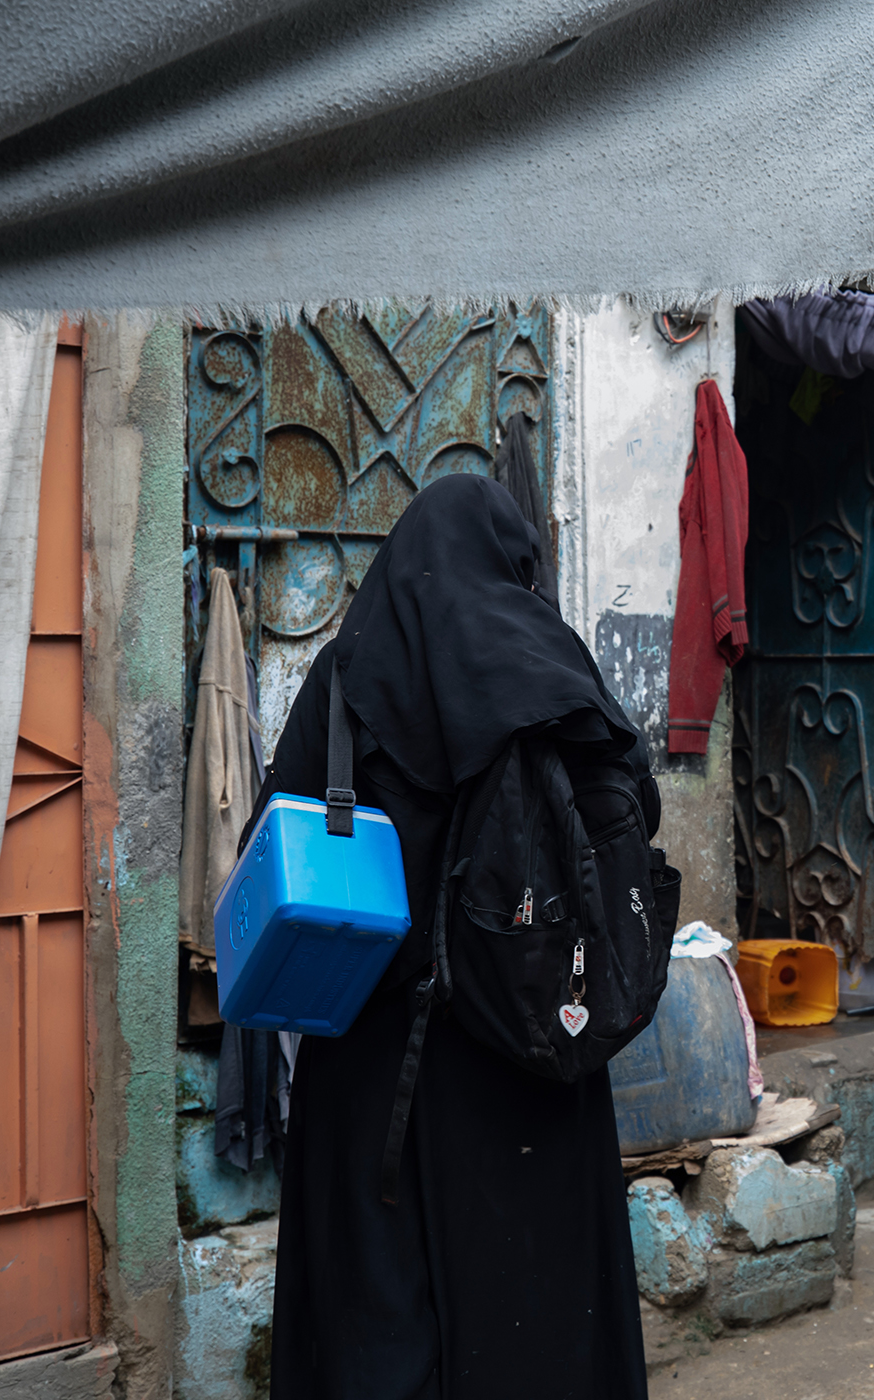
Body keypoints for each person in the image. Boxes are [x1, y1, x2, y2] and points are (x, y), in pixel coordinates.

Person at [256, 474, 657, 1400]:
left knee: (375, 1322)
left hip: (374, 1066)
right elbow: (634, 808)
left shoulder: (351, 677)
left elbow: (273, 850)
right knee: (540, 1321)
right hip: (531, 1055)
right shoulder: (557, 671)